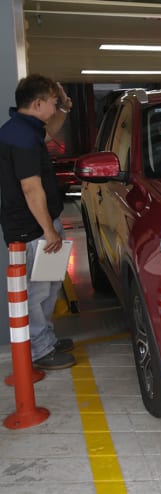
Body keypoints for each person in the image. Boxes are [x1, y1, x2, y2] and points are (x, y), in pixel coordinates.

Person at [0, 74, 76, 369]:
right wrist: (48, 231)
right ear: (39, 103)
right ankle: (40, 350)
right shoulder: (21, 138)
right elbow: (31, 188)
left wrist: (66, 109)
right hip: (32, 230)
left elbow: (49, 133)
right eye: (54, 102)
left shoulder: (25, 130)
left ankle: (46, 338)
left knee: (50, 286)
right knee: (37, 291)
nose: (56, 106)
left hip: (44, 223)